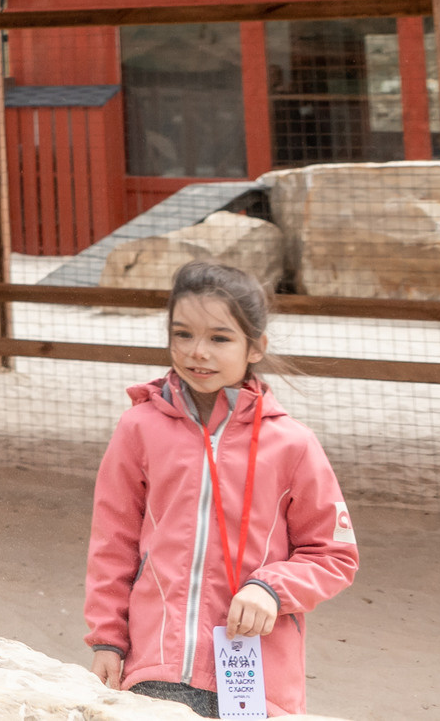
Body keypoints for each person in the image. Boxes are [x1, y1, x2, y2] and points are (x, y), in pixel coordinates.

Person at [84, 260, 358, 717]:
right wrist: (107, 639)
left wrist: (271, 587)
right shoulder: (138, 429)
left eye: (219, 337)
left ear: (256, 347)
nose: (198, 352)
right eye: (183, 334)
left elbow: (335, 555)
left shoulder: (293, 444)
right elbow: (113, 544)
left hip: (256, 678)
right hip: (154, 671)